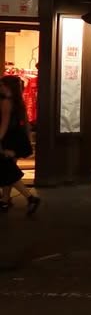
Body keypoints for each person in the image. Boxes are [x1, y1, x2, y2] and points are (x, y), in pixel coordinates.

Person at [0, 75, 41, 215]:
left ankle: (30, 198)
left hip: (8, 139)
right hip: (17, 139)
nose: (0, 87)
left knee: (8, 170)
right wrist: (28, 139)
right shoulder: (18, 101)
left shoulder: (6, 101)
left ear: (7, 86)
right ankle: (5, 200)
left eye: (2, 85)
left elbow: (4, 124)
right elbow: (26, 123)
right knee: (7, 169)